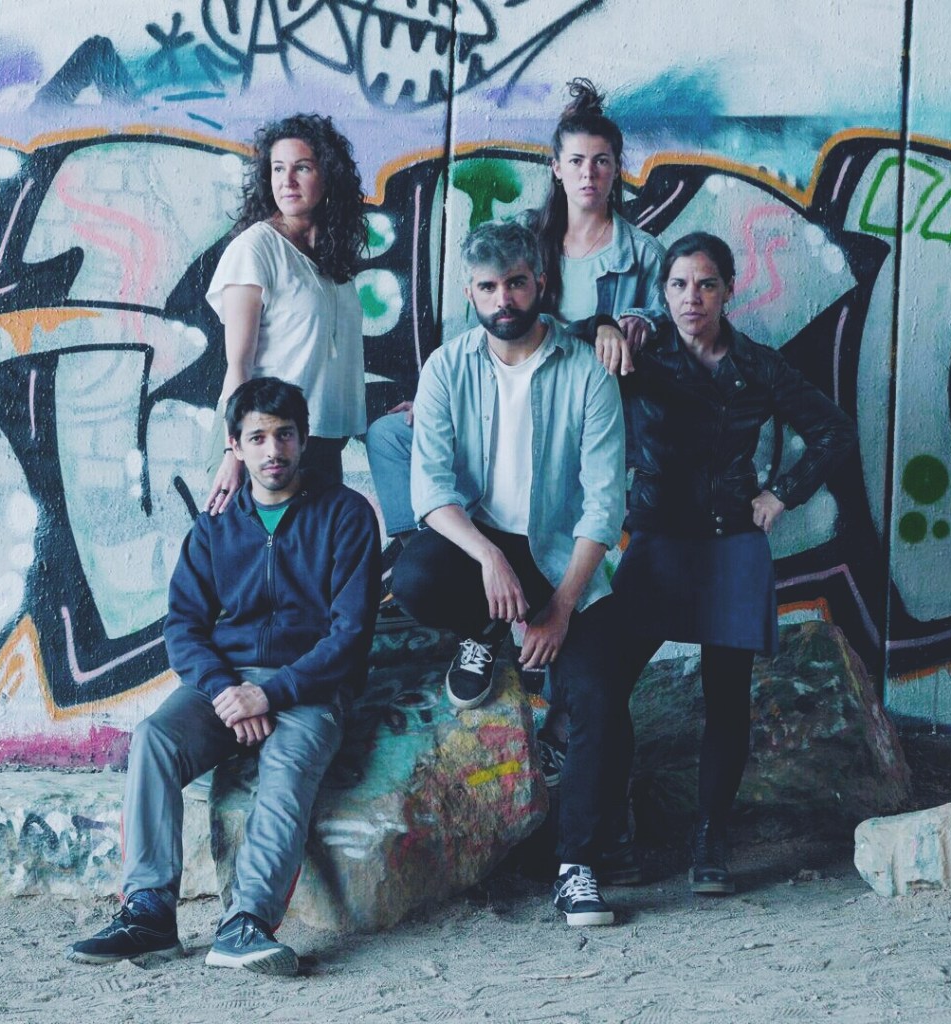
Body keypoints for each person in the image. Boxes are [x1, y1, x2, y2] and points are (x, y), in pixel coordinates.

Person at [67, 377, 380, 973]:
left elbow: (350, 636)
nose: (273, 450)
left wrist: (270, 693)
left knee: (286, 768)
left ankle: (245, 924)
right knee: (154, 738)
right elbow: (183, 626)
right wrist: (227, 690)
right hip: (225, 686)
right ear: (234, 446)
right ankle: (149, 914)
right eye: (257, 438)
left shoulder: (346, 515)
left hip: (309, 689)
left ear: (304, 439)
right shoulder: (215, 525)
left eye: (284, 435)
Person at [592, 232, 858, 895]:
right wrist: (605, 324)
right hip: (658, 538)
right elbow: (564, 344)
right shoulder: (642, 354)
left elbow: (834, 431)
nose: (692, 298)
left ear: (728, 290)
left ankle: (711, 836)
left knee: (727, 697)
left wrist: (781, 494)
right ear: (663, 293)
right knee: (603, 684)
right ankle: (614, 828)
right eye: (679, 285)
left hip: (731, 540)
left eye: (706, 284)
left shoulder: (759, 366)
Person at [392, 220, 628, 926]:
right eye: (489, 287)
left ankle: (576, 866)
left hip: (561, 554)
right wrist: (489, 558)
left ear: (540, 284)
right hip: (480, 546)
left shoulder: (586, 373)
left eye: (517, 283)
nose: (504, 299)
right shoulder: (447, 367)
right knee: (415, 577)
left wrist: (560, 608)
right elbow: (431, 492)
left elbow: (603, 506)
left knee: (597, 697)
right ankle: (485, 631)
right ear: (470, 292)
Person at [365, 77, 662, 637]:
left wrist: (627, 327)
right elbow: (494, 313)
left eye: (602, 162)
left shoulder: (642, 253)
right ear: (556, 168)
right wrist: (442, 392)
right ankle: (444, 549)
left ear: (616, 169)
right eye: (577, 161)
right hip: (506, 391)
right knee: (389, 435)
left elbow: (661, 331)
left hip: (580, 413)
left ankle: (516, 596)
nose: (589, 174)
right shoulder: (527, 234)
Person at [204, 113, 368, 514]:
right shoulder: (254, 250)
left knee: (316, 554)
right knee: (255, 552)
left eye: (302, 168)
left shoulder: (333, 258)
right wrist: (233, 453)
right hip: (264, 442)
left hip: (320, 443)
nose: (287, 181)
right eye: (278, 169)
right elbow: (239, 364)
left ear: (328, 176)